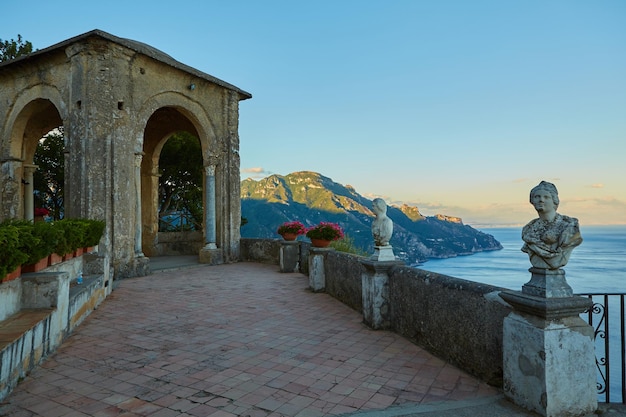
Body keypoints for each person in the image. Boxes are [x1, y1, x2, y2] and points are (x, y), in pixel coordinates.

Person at [521, 181, 582, 270]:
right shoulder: (528, 230)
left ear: (554, 201)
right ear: (532, 201)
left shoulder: (568, 227)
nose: (541, 200)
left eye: (546, 197)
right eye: (537, 197)